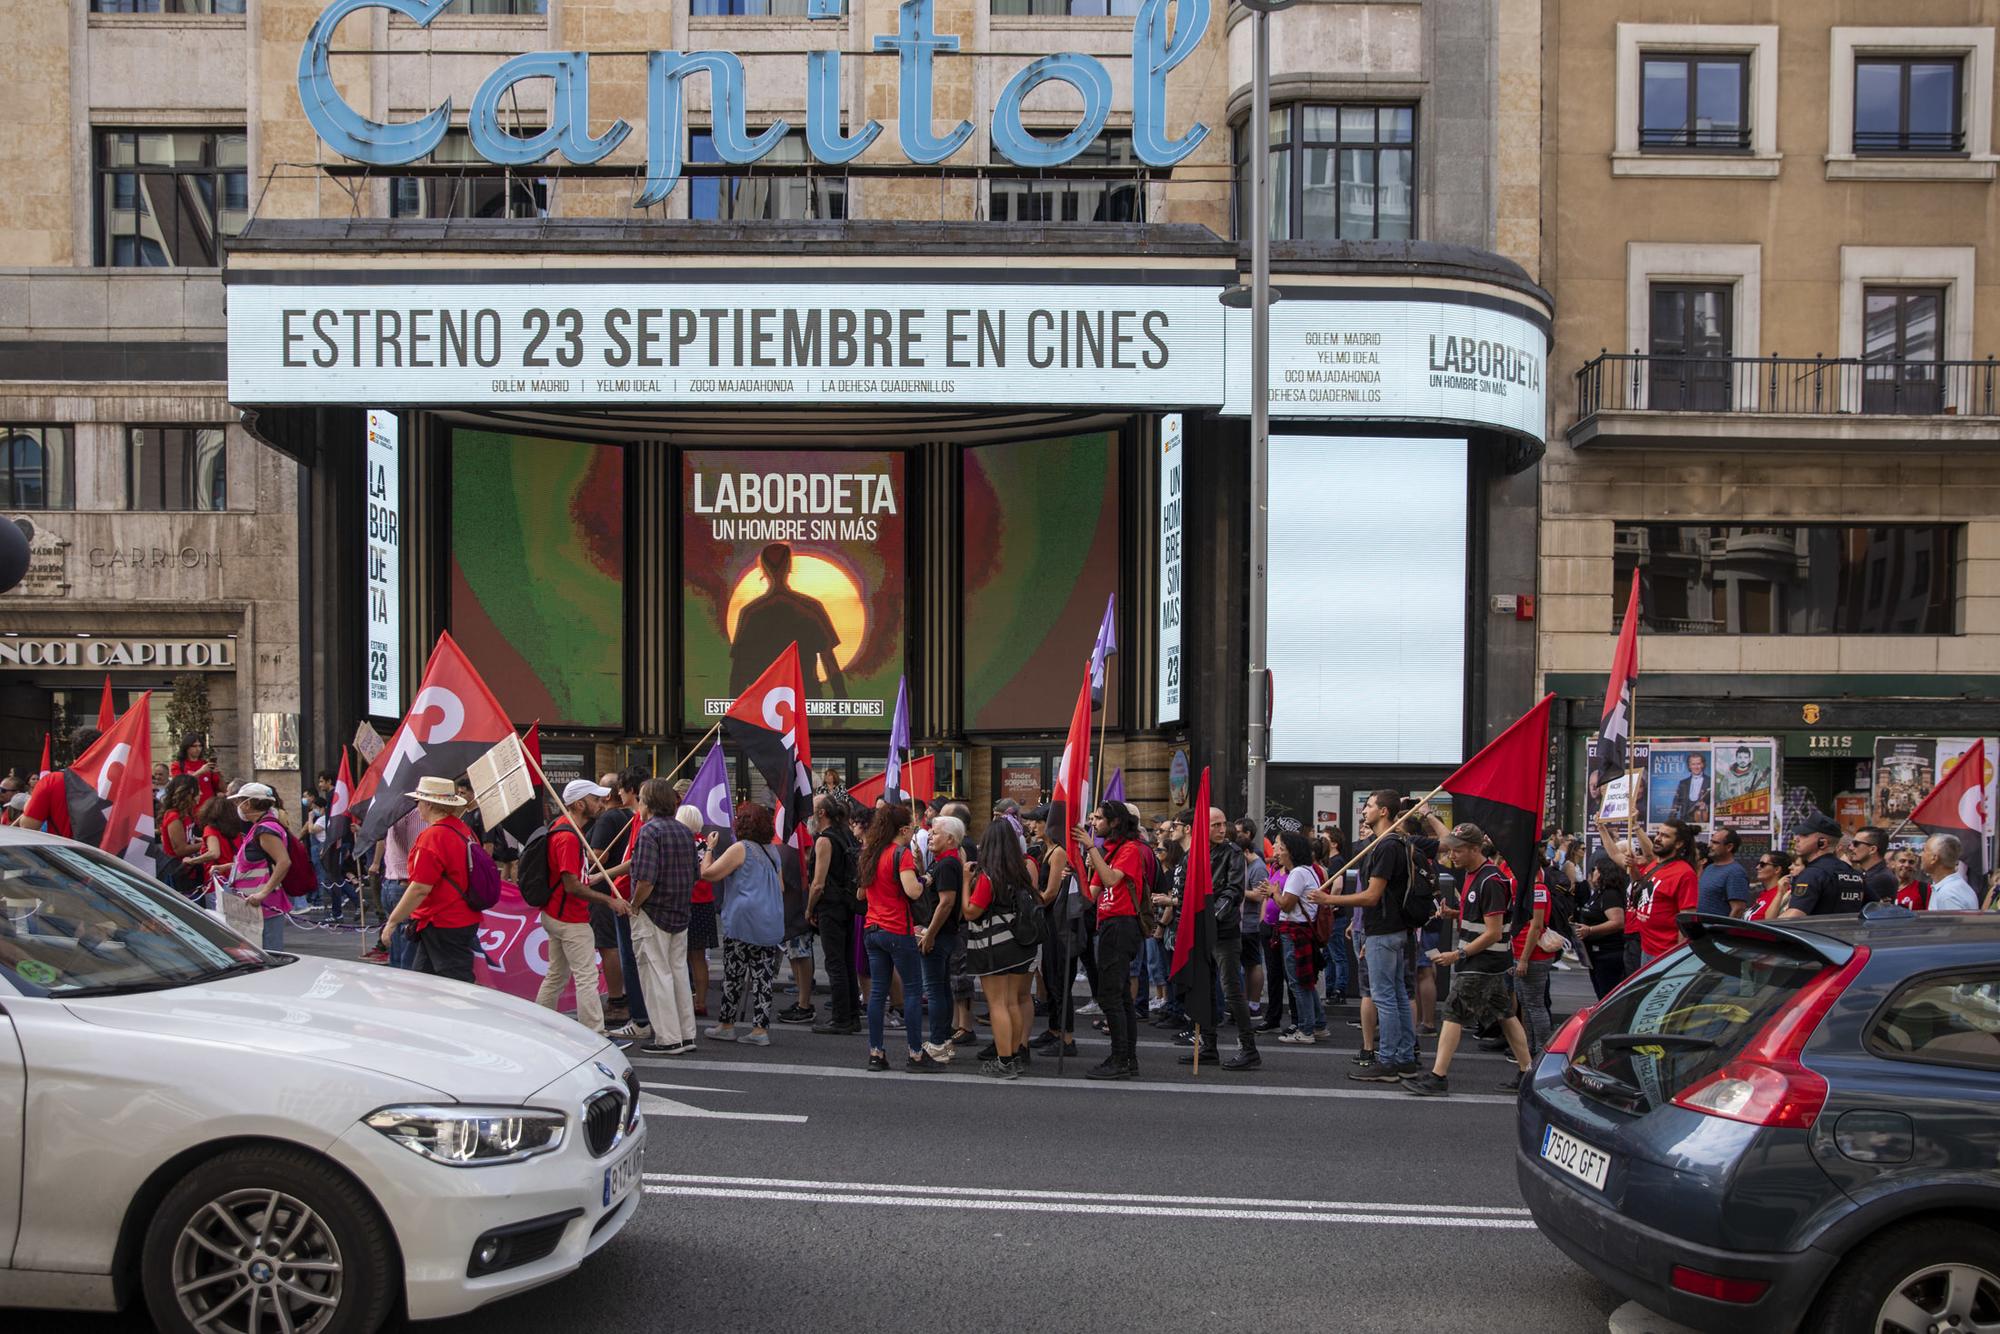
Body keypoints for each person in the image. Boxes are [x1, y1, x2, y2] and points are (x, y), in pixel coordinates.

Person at [1403, 824, 1532, 1097]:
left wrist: (1458, 954)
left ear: (1476, 849)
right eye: (1450, 849)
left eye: (1458, 850)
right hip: (1489, 962)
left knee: (1452, 1013)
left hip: (1482, 963)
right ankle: (1527, 1072)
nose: (1452, 856)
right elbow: (1480, 919)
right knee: (1506, 1015)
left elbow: (1494, 931)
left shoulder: (1490, 880)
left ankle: (1438, 1077)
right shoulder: (1476, 875)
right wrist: (1453, 914)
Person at [1319, 790, 1422, 1083]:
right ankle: (1403, 1058)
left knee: (1385, 997)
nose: (1364, 811)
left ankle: (1388, 1060)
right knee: (1397, 995)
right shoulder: (1394, 843)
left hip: (1384, 932)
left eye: (1370, 806)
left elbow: (1372, 895)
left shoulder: (1387, 846)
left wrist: (1329, 901)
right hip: (1391, 931)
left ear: (1384, 812)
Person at [538, 779, 630, 1035]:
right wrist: (610, 900)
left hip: (556, 913)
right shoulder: (567, 836)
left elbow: (572, 881)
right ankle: (596, 1034)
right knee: (586, 978)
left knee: (556, 975)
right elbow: (572, 886)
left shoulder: (562, 828)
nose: (601, 804)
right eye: (595, 799)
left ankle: (540, 1025)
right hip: (571, 917)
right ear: (579, 804)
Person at [374, 775, 484, 981]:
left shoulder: (433, 836)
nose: (417, 806)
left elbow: (420, 888)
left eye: (419, 801)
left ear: (428, 804)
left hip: (443, 921)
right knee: (424, 983)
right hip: (457, 917)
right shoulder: (462, 829)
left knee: (456, 986)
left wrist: (392, 921)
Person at [699, 801, 788, 1047]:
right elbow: (780, 886)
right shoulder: (772, 850)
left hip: (742, 922)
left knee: (734, 976)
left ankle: (727, 1025)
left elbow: (709, 874)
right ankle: (760, 1030)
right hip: (769, 923)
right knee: (763, 978)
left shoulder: (740, 848)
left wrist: (709, 849)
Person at [859, 804, 938, 1072]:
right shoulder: (900, 854)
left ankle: (876, 1053)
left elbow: (860, 894)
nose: (913, 833)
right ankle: (915, 1054)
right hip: (897, 929)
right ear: (902, 829)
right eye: (911, 829)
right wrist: (925, 878)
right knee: (914, 990)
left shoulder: (870, 852)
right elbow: (912, 891)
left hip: (872, 929)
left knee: (878, 992)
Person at [1180, 806, 1259, 1070]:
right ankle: (1209, 1046)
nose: (1221, 829)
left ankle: (1249, 1048)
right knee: (1205, 989)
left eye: (1223, 824)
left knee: (1231, 990)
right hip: (1201, 931)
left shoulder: (1233, 853)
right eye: (1215, 825)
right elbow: (1184, 889)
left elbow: (1233, 891)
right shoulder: (1193, 854)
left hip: (1223, 932)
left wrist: (1211, 918)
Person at [1076, 800, 1149, 1080]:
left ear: (1115, 822)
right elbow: (1091, 894)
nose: (1093, 823)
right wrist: (1076, 872)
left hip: (1121, 925)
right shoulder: (1110, 850)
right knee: (1118, 996)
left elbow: (1109, 880)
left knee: (1111, 996)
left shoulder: (1129, 850)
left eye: (1098, 818)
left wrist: (1091, 848)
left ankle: (1121, 1058)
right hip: (1107, 925)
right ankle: (1126, 1057)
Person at [963, 817, 1039, 1078]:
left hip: (994, 946)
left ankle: (1004, 1061)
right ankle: (1016, 1055)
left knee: (997, 1005)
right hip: (1020, 944)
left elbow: (971, 911)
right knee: (1012, 1003)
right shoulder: (1021, 872)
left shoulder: (988, 876)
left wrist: (965, 882)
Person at [628, 784, 700, 1055]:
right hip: (680, 911)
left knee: (656, 974)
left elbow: (646, 879)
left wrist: (634, 905)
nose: (638, 805)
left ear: (648, 803)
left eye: (640, 800)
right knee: (678, 973)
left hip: (653, 911)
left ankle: (668, 1038)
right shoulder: (684, 830)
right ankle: (686, 1034)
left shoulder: (649, 832)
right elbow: (695, 873)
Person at [728, 541, 846, 698]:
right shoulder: (811, 608)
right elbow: (828, 660)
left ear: (763, 568)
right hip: (805, 699)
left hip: (763, 703)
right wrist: (840, 696)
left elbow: (739, 672)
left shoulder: (751, 613)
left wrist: (733, 713)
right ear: (789, 566)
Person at [1025, 803, 1082, 1058]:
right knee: (1049, 978)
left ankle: (1066, 1038)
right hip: (1047, 924)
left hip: (1059, 926)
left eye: (1037, 821)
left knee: (1060, 980)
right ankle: (1054, 1030)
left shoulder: (1058, 852)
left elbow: (1050, 893)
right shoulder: (1045, 850)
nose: (1031, 825)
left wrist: (1026, 898)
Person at [807, 794, 863, 1035]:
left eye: (812, 809)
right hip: (847, 905)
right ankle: (851, 1015)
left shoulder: (824, 841)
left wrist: (809, 908)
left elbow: (818, 883)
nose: (808, 814)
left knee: (835, 963)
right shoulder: (845, 834)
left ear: (822, 813)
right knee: (847, 961)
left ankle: (841, 1018)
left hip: (830, 907)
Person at [585, 772, 636, 1030]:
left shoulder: (608, 818)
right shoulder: (630, 816)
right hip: (625, 889)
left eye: (599, 793)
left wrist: (582, 848)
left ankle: (617, 1000)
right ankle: (628, 997)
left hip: (606, 889)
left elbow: (598, 857)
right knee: (621, 944)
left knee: (608, 945)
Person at [916, 813, 968, 1063]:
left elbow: (946, 903)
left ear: (949, 838)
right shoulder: (943, 861)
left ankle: (937, 1042)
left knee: (935, 989)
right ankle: (943, 1040)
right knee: (942, 988)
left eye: (935, 833)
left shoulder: (948, 863)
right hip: (944, 933)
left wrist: (930, 934)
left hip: (940, 934)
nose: (930, 836)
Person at [1509, 854, 1566, 1060]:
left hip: (1534, 954)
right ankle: (1532, 1049)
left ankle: (1541, 1050)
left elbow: (1536, 926)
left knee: (1534, 1005)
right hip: (1523, 951)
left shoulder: (1539, 890)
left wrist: (1524, 958)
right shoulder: (1527, 888)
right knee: (1526, 1002)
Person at [226, 783, 294, 952]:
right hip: (258, 905)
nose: (237, 807)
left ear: (248, 803)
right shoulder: (261, 826)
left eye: (239, 802)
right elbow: (256, 862)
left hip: (265, 905)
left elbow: (283, 862)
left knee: (269, 952)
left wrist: (263, 893)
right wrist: (227, 867)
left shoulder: (265, 829)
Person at [1270, 831, 1323, 1044]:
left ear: (1289, 850)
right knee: (1306, 980)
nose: (1276, 851)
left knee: (1297, 982)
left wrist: (1274, 892)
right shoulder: (1308, 870)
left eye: (1278, 846)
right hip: (1299, 930)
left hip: (1294, 931)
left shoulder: (1298, 873)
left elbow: (1287, 904)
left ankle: (1306, 1029)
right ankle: (1317, 1023)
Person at [17, 725, 101, 837]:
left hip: (66, 852)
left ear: (73, 750)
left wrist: (28, 805)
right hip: (106, 853)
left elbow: (28, 826)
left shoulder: (52, 781)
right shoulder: (115, 783)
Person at [1781, 812, 1868, 918]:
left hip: (1813, 933)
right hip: (1844, 933)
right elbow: (1876, 906)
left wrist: (1766, 930)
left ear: (1822, 843)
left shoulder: (1813, 874)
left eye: (1805, 835)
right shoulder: (1855, 874)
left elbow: (1793, 916)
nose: (1796, 839)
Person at [373, 804, 426, 970]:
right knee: (406, 947)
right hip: (404, 884)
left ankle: (398, 983)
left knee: (398, 942)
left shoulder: (393, 810)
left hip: (392, 882)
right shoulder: (415, 812)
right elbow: (417, 852)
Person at [1574, 859, 1629, 998]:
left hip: (1608, 953)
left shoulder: (1610, 894)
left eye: (1595, 869)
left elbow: (1618, 922)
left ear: (1603, 872)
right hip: (1595, 954)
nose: (1593, 872)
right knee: (1601, 993)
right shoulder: (1598, 892)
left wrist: (1591, 930)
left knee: (1608, 995)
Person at [156, 775, 204, 899]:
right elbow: (180, 849)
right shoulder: (173, 816)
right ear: (190, 792)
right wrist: (208, 843)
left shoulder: (186, 814)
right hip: (178, 873)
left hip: (188, 869)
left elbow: (188, 839)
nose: (202, 793)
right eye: (198, 789)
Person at [1696, 828, 1752, 918]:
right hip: (1700, 928)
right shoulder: (1709, 868)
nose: (1709, 846)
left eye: (1715, 843)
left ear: (1729, 847)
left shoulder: (1735, 872)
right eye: (1711, 841)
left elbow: (1738, 909)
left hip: (1716, 931)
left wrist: (1725, 930)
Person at [1921, 834, 1980, 911]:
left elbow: (1953, 923)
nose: (1920, 855)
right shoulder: (1950, 888)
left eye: (1924, 851)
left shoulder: (1948, 894)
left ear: (1934, 858)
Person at [169, 735, 223, 807]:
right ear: (186, 747)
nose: (198, 749)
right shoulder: (177, 765)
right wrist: (200, 772)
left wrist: (219, 774)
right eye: (194, 746)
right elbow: (179, 784)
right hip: (189, 808)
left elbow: (222, 789)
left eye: (200, 746)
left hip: (208, 809)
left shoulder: (206, 764)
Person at [1851, 826, 1898, 905]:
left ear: (1872, 849)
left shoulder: (1883, 877)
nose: (1851, 847)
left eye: (1856, 844)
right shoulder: (1862, 873)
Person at [1666, 753, 1710, 824]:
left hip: (1703, 821)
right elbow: (1676, 804)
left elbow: (1716, 803)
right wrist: (1670, 823)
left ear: (1703, 765)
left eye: (1698, 764)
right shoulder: (1683, 783)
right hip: (1685, 821)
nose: (1696, 767)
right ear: (1689, 766)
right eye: (1693, 764)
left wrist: (1706, 807)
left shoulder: (1710, 781)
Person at [1749, 849, 1791, 920]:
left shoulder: (1784, 893)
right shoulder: (1764, 893)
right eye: (1758, 864)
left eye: (1762, 864)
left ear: (1777, 869)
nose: (1757, 867)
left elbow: (1769, 921)